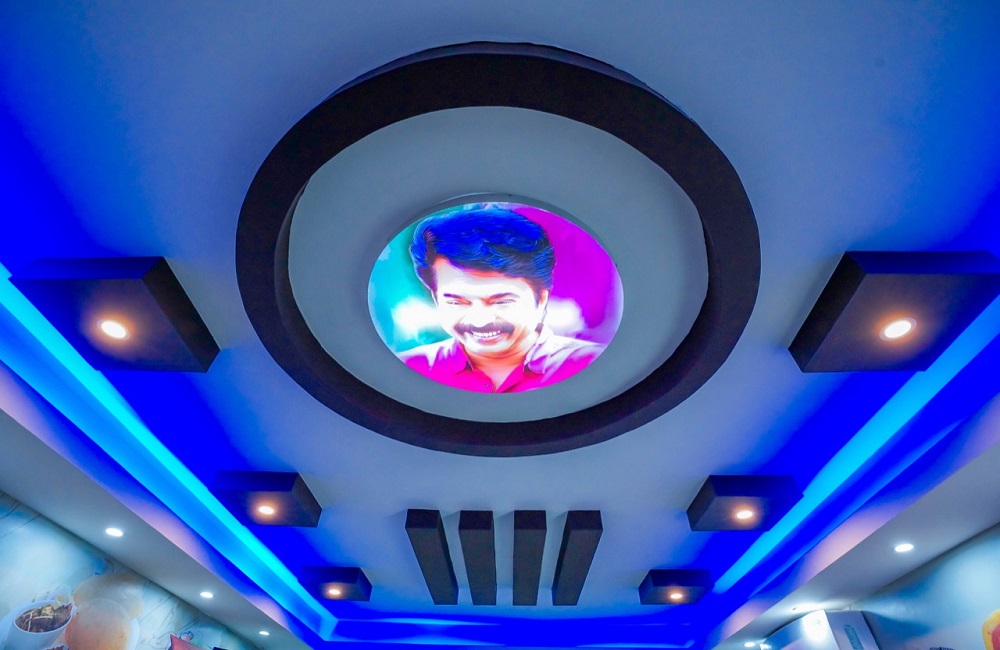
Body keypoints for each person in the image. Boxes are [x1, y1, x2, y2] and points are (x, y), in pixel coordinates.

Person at [399, 206, 605, 393]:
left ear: (541, 299)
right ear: (436, 299)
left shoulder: (593, 366)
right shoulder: (408, 370)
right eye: (457, 302)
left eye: (501, 302)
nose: (480, 321)